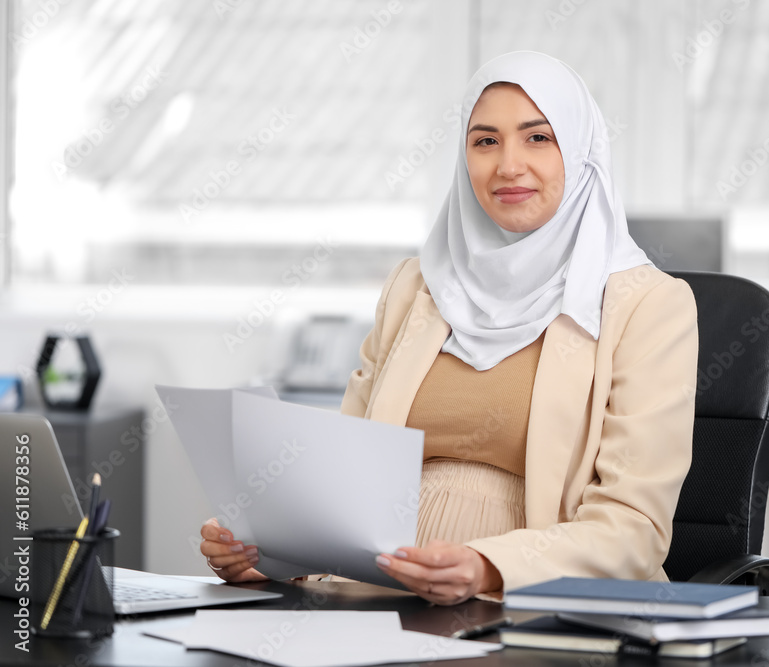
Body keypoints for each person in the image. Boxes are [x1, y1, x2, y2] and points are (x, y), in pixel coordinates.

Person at [201, 51, 698, 606]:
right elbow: (343, 483)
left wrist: (487, 568)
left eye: (538, 138)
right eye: (485, 141)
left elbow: (633, 530)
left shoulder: (649, 306)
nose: (508, 165)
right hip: (373, 594)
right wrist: (272, 554)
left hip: (534, 606)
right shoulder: (414, 287)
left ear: (581, 152)